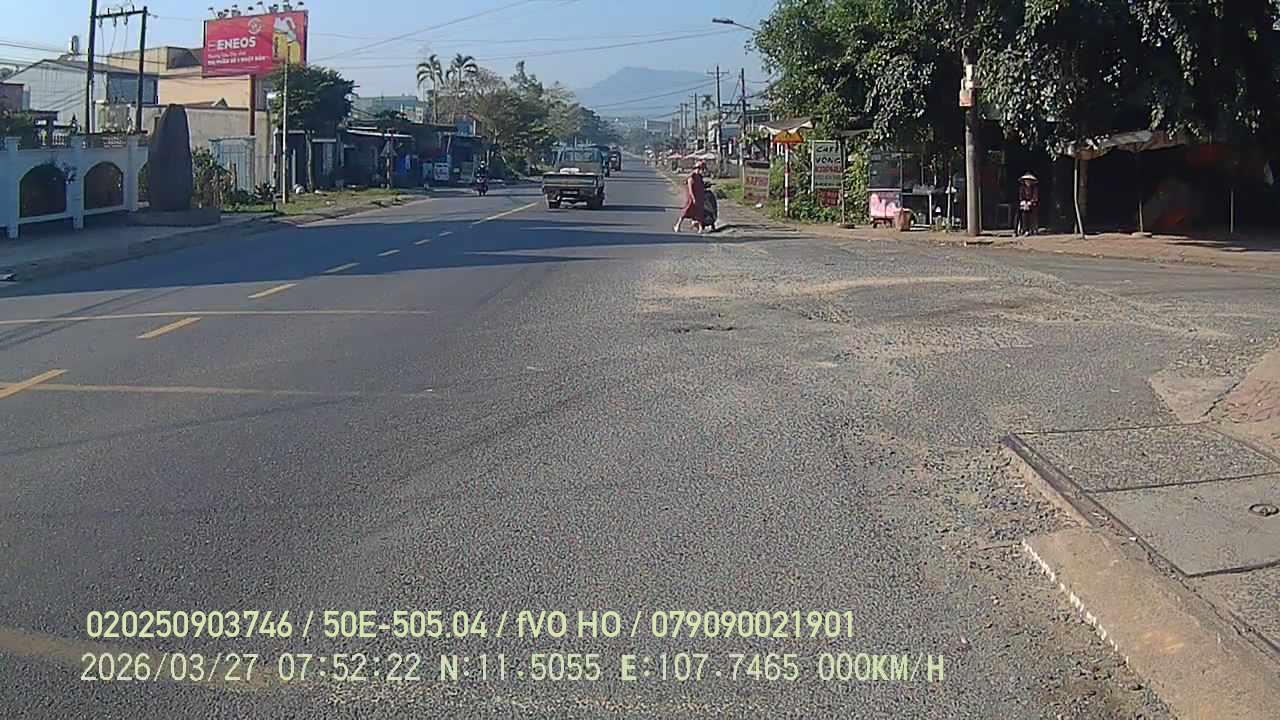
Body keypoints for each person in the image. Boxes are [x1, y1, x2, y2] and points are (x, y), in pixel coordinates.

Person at [675, 161, 707, 233]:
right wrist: (693, 198)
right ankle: (678, 225)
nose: (701, 171)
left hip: (699, 197)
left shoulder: (700, 177)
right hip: (691, 198)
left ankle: (700, 228)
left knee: (699, 212)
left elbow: (701, 185)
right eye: (700, 169)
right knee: (686, 211)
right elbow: (690, 189)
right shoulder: (692, 177)